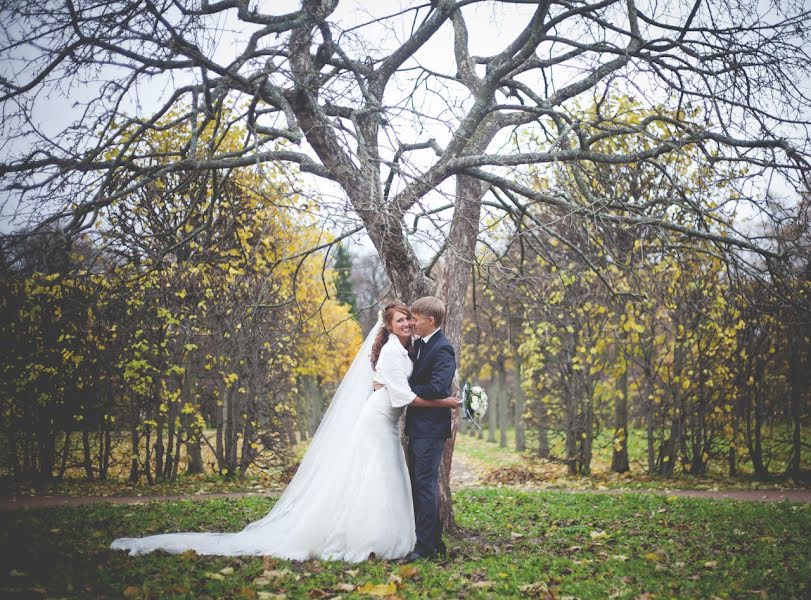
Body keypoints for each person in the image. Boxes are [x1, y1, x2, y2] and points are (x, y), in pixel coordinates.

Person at [110, 301, 458, 561]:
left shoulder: (407, 348)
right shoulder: (396, 352)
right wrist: (450, 403)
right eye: (401, 320)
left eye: (410, 320)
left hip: (385, 418)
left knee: (383, 478)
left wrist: (390, 383)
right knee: (372, 477)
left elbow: (391, 381)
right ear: (389, 325)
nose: (408, 324)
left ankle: (406, 538)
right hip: (380, 419)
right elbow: (405, 394)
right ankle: (369, 537)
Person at [403, 296, 456, 561]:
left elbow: (438, 388)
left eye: (416, 318)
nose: (412, 323)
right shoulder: (421, 345)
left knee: (424, 485)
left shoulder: (442, 348)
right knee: (421, 484)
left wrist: (405, 390)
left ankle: (425, 549)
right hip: (419, 428)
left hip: (431, 429)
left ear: (430, 320)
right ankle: (434, 543)